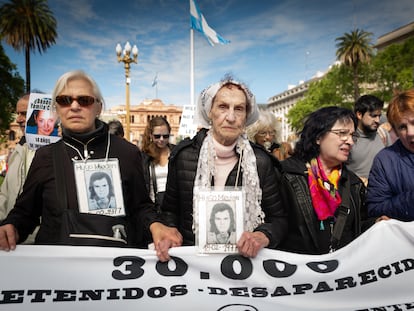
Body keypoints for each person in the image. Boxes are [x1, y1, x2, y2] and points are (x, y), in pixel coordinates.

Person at [0, 70, 164, 250]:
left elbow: (140, 207)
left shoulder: (127, 152)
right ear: (56, 108)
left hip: (115, 266)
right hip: (58, 266)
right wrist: (12, 227)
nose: (74, 106)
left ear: (99, 107)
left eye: (84, 100)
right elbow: (25, 212)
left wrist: (155, 225)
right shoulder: (45, 156)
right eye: (65, 100)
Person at [152, 76, 288, 261]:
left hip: (245, 265)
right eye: (223, 107)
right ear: (210, 112)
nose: (231, 117)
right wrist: (168, 233)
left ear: (246, 116)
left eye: (239, 109)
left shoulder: (261, 161)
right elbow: (169, 212)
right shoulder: (183, 156)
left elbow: (279, 220)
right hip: (193, 265)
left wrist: (263, 236)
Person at [279, 106, 388, 255]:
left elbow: (356, 227)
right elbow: (276, 225)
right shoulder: (286, 175)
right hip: (300, 273)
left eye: (352, 135)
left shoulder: (354, 184)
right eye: (342, 133)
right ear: (318, 137)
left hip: (342, 271)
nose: (350, 141)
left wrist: (376, 224)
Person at [367, 89, 414, 221]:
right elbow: (375, 209)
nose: (410, 132)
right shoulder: (384, 161)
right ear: (396, 132)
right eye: (402, 127)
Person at [0, 94, 37, 244]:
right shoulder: (18, 150)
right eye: (18, 114)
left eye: (24, 113)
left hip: (40, 243)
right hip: (10, 239)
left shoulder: (56, 152)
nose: (18, 119)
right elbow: (5, 193)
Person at [347, 95, 390, 185]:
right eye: (373, 116)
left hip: (382, 192)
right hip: (356, 195)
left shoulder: (383, 134)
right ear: (359, 114)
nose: (377, 120)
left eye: (379, 116)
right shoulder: (348, 139)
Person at [141, 116, 174, 209]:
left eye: (166, 136)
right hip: (153, 206)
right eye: (157, 136)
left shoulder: (176, 152)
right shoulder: (144, 157)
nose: (162, 139)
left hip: (174, 207)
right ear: (151, 135)